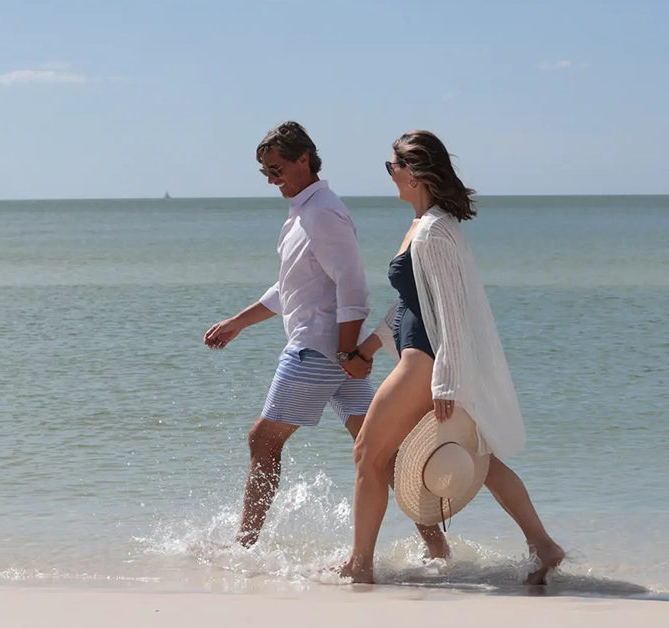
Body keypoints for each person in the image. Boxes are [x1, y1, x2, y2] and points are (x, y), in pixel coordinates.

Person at [338, 130, 565, 584]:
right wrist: (367, 348)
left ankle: (360, 566)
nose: (390, 175)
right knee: (478, 458)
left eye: (393, 166)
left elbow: (454, 313)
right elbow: (410, 302)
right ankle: (544, 547)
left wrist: (446, 381)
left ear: (416, 171)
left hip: (424, 361)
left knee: (368, 453)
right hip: (419, 355)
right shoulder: (426, 225)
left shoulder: (434, 232)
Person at [204, 121, 377, 548]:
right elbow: (291, 288)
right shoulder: (302, 213)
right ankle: (436, 547)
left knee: (262, 440)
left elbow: (352, 287)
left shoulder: (323, 213)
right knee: (378, 451)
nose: (270, 179)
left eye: (277, 168)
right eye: (265, 171)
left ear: (305, 160)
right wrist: (237, 323)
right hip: (333, 350)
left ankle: (243, 546)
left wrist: (343, 354)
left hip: (318, 349)